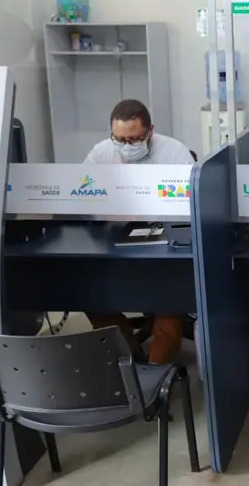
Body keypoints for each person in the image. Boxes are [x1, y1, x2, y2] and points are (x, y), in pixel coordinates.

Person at [84, 99, 194, 364]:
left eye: (134, 139)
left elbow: (192, 208)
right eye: (120, 139)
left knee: (168, 311)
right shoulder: (100, 154)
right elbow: (82, 197)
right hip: (114, 246)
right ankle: (130, 363)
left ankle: (155, 378)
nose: (126, 146)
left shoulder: (175, 153)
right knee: (91, 299)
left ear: (150, 131)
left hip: (165, 250)